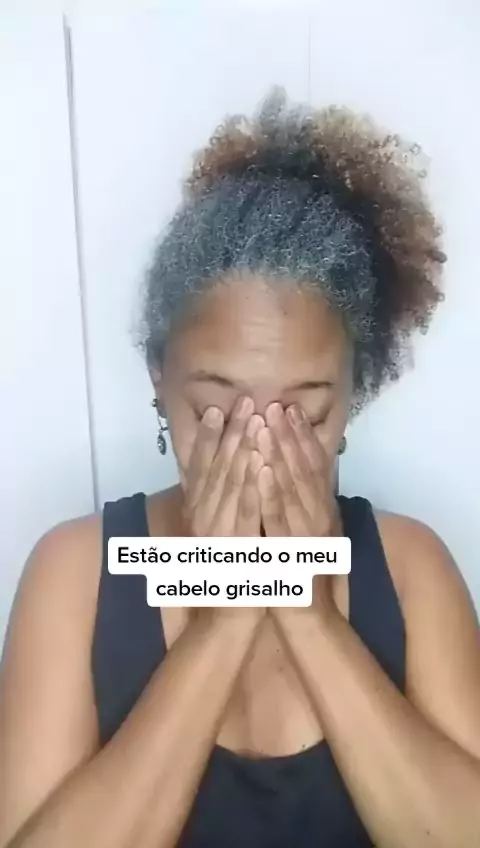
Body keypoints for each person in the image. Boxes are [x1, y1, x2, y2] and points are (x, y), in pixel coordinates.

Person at [1, 89, 479, 848]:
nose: (257, 450)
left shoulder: (412, 568)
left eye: (305, 414)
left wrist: (308, 613)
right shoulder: (75, 574)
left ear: (353, 398)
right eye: (215, 410)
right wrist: (225, 615)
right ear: (159, 378)